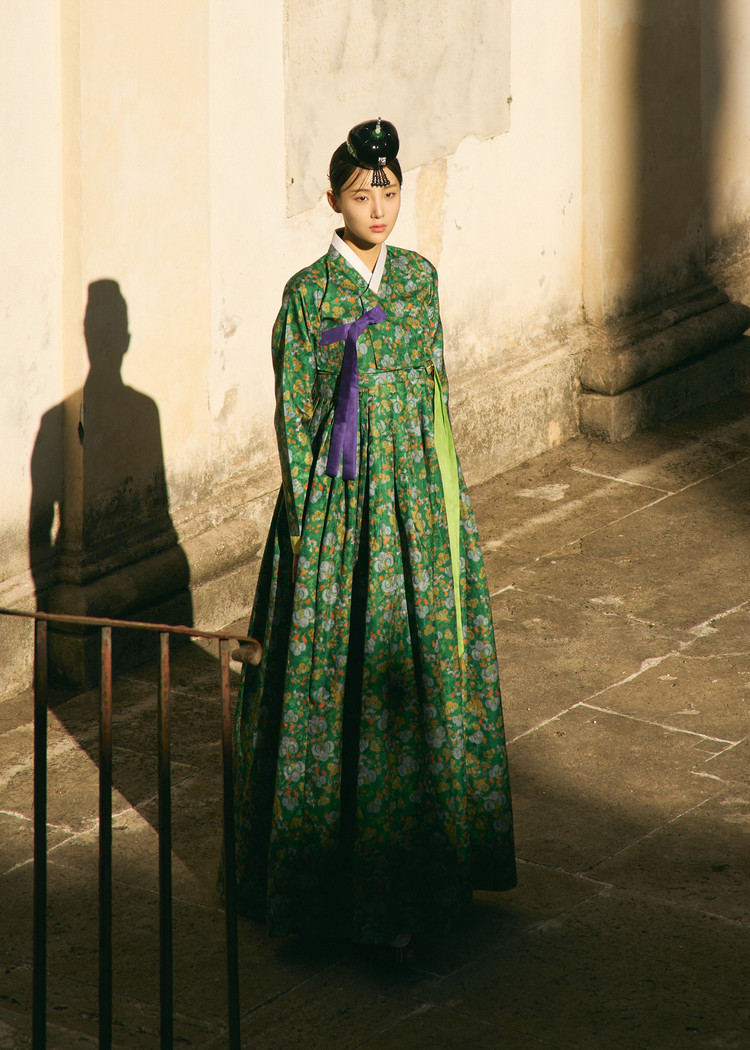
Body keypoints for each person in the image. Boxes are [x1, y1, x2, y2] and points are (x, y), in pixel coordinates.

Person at [230, 119, 516, 948]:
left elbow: (437, 396)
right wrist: (309, 531)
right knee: (335, 676)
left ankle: (428, 870)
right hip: (338, 510)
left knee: (419, 672)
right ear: (334, 201)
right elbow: (295, 416)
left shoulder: (420, 280)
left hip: (416, 504)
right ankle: (324, 887)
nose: (379, 208)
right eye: (363, 194)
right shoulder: (309, 296)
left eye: (389, 191)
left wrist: (449, 511)